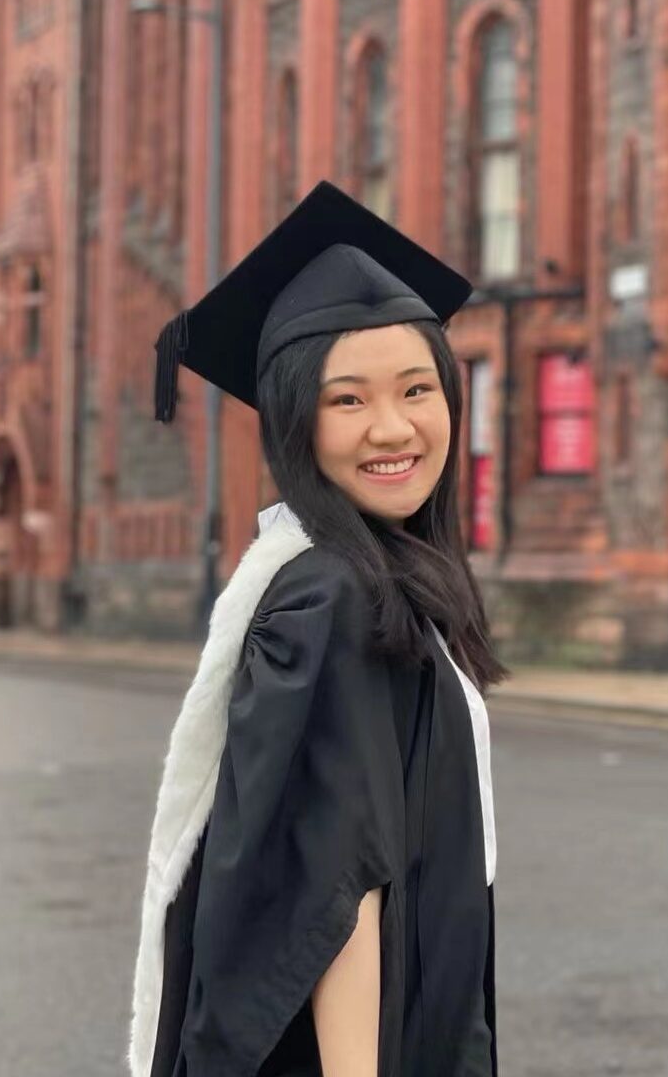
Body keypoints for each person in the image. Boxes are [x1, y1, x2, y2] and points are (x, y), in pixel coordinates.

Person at [128, 181, 510, 1077]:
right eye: (347, 401)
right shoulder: (327, 603)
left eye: (418, 388)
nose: (393, 427)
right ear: (296, 421)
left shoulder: (376, 575)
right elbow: (334, 894)